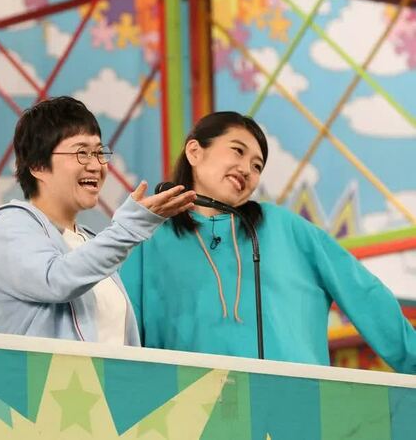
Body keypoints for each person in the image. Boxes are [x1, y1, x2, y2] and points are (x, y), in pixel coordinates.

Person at [121, 111, 416, 373]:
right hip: (185, 406)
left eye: (257, 166)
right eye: (238, 151)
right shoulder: (147, 236)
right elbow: (122, 327)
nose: (246, 170)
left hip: (294, 404)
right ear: (195, 152)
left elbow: (365, 294)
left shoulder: (286, 227)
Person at [0, 96, 196, 344]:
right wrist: (131, 227)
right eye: (82, 153)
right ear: (37, 165)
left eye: (99, 152)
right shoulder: (9, 226)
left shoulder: (87, 241)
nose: (96, 165)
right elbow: (56, 280)